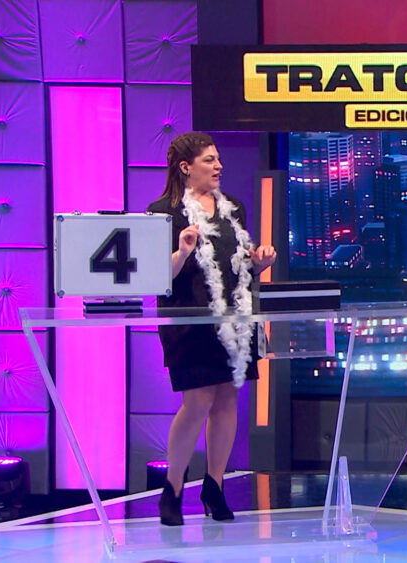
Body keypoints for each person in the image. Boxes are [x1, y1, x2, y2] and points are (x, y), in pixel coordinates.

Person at [147, 132, 276, 526]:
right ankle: (172, 488)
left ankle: (214, 486)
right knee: (197, 402)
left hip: (234, 321)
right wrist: (183, 250)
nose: (218, 166)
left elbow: (237, 268)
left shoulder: (233, 208)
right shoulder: (162, 213)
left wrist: (258, 263)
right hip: (190, 323)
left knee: (226, 401)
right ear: (186, 167)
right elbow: (156, 277)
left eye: (218, 159)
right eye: (209, 160)